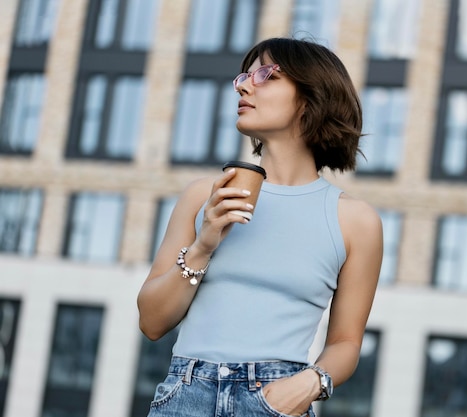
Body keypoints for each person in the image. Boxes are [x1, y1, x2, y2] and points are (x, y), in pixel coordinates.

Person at [137, 37, 383, 417]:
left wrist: (307, 384)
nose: (244, 85)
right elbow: (152, 322)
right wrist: (204, 245)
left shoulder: (355, 220)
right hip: (185, 397)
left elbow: (347, 343)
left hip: (276, 400)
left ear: (311, 97)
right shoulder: (205, 196)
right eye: (244, 76)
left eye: (266, 75)